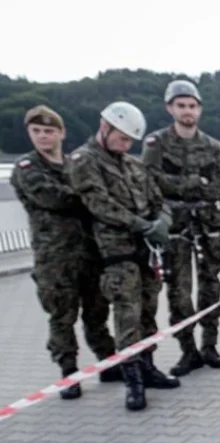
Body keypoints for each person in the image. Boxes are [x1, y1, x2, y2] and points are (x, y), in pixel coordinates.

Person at [67, 102, 178, 411]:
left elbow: (159, 199)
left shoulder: (133, 165)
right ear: (105, 127)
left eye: (130, 141)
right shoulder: (84, 161)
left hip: (145, 253)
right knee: (127, 316)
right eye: (122, 138)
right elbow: (99, 204)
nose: (126, 145)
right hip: (116, 253)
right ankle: (133, 381)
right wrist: (143, 225)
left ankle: (148, 367)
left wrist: (162, 222)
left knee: (148, 313)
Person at [10, 104, 121, 398]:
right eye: (37, 131)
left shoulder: (75, 164)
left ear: (62, 133)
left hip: (90, 252)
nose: (43, 137)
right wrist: (92, 198)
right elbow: (53, 198)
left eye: (49, 131)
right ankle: (68, 372)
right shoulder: (26, 168)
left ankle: (108, 362)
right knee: (62, 316)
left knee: (97, 311)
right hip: (55, 257)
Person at [141, 80, 220, 376]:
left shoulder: (214, 148)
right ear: (170, 108)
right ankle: (188, 351)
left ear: (200, 110)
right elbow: (149, 181)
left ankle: (210, 346)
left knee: (211, 287)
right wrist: (194, 185)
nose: (187, 111)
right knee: (179, 293)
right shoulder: (156, 145)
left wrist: (195, 191)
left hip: (208, 227)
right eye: (181, 106)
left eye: (192, 106)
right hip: (175, 231)